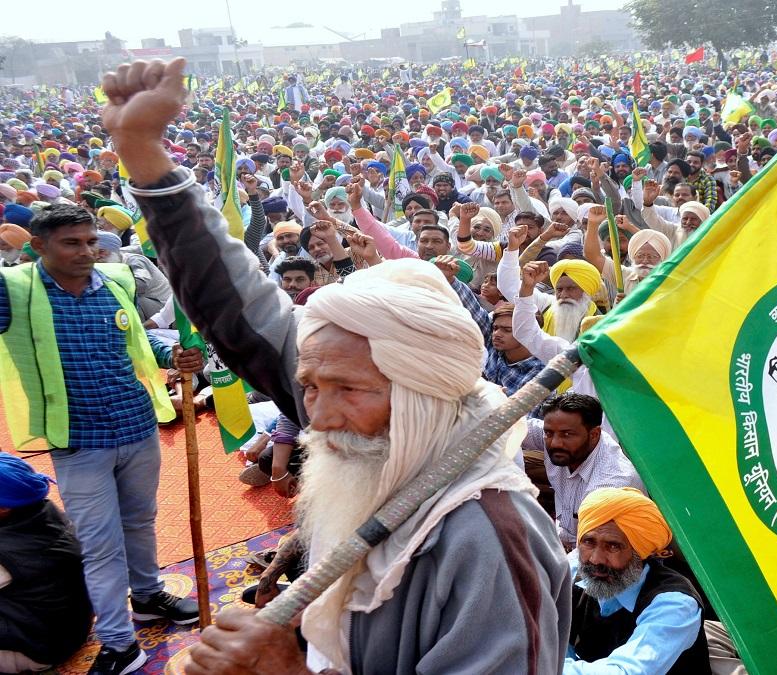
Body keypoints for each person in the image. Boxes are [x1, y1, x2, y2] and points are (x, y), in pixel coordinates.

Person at [102, 57, 571, 675]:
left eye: (345, 389)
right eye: (308, 388)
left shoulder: (487, 538)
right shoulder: (368, 417)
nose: (317, 419)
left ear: (422, 392)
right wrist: (142, 152)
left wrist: (288, 671)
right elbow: (235, 307)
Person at [0, 202, 196, 675]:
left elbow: (137, 340)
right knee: (100, 543)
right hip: (78, 441)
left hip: (137, 425)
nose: (87, 251)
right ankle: (119, 644)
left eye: (91, 241)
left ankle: (147, 597)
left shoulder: (115, 281)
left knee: (140, 521)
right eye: (71, 243)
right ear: (38, 246)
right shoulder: (14, 290)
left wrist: (173, 354)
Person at [566, 487, 710, 674]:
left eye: (613, 546)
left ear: (639, 553)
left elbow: (626, 672)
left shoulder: (675, 603)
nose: (595, 559)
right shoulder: (575, 574)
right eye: (588, 542)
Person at [0, 453, 93, 674]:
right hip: (69, 628)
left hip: (35, 648)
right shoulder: (43, 510)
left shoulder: (7, 552)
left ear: (4, 508)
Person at [521, 393, 644, 550]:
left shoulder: (610, 484)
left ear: (594, 434)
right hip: (567, 540)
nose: (555, 443)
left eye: (567, 435)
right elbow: (513, 427)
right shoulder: (561, 435)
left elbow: (594, 553)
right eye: (549, 433)